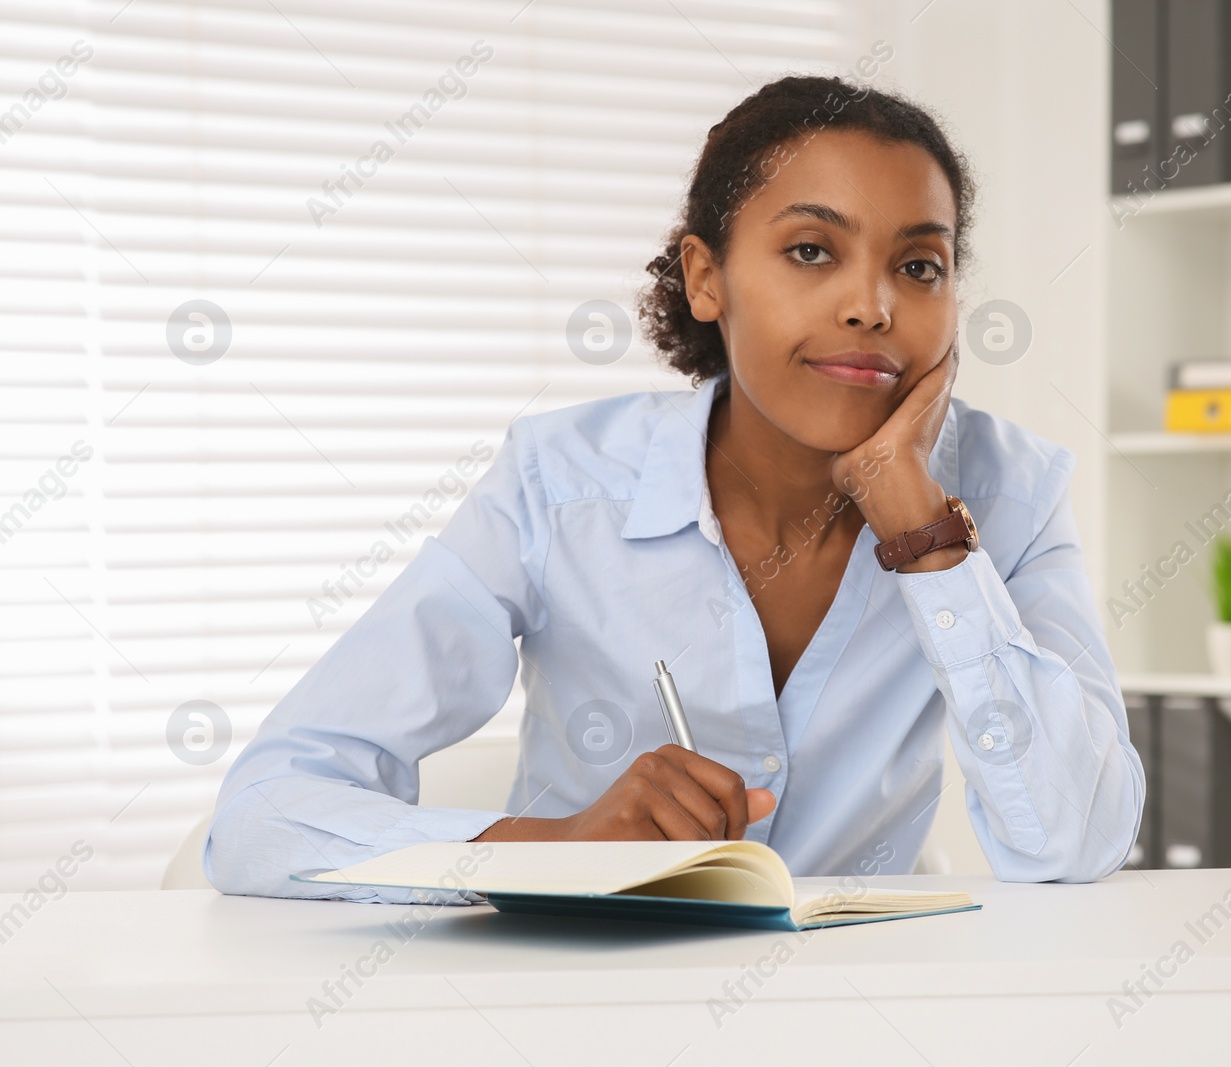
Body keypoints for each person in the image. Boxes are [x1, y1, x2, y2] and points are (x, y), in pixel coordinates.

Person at [206, 74, 1144, 903]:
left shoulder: (1008, 492)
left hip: (858, 1009)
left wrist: (922, 530)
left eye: (919, 265)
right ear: (707, 278)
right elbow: (264, 813)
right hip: (591, 1009)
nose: (873, 305)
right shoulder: (559, 482)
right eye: (813, 250)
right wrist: (560, 850)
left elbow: (1078, 840)